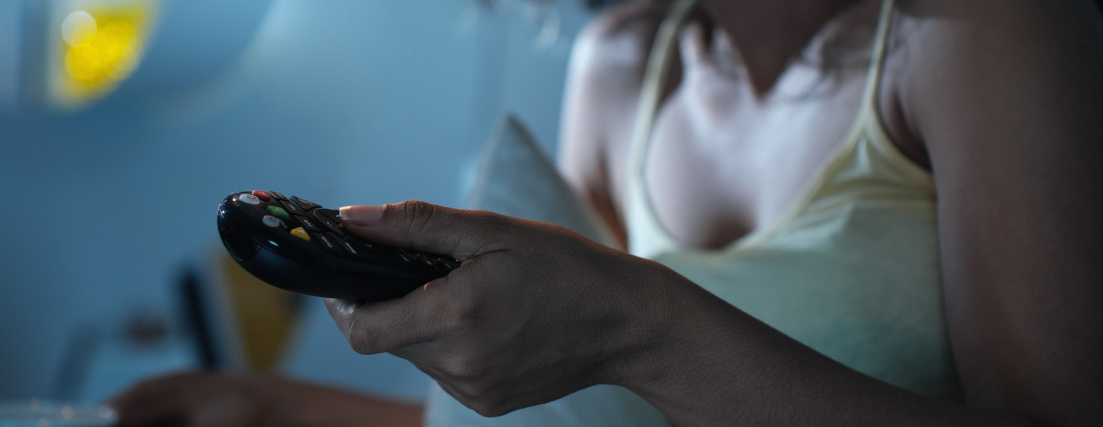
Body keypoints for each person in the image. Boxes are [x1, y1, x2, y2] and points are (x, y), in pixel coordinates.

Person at [110, 0, 1103, 425]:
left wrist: (640, 323)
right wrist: (277, 411)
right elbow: (588, 416)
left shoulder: (972, 32)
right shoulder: (623, 68)